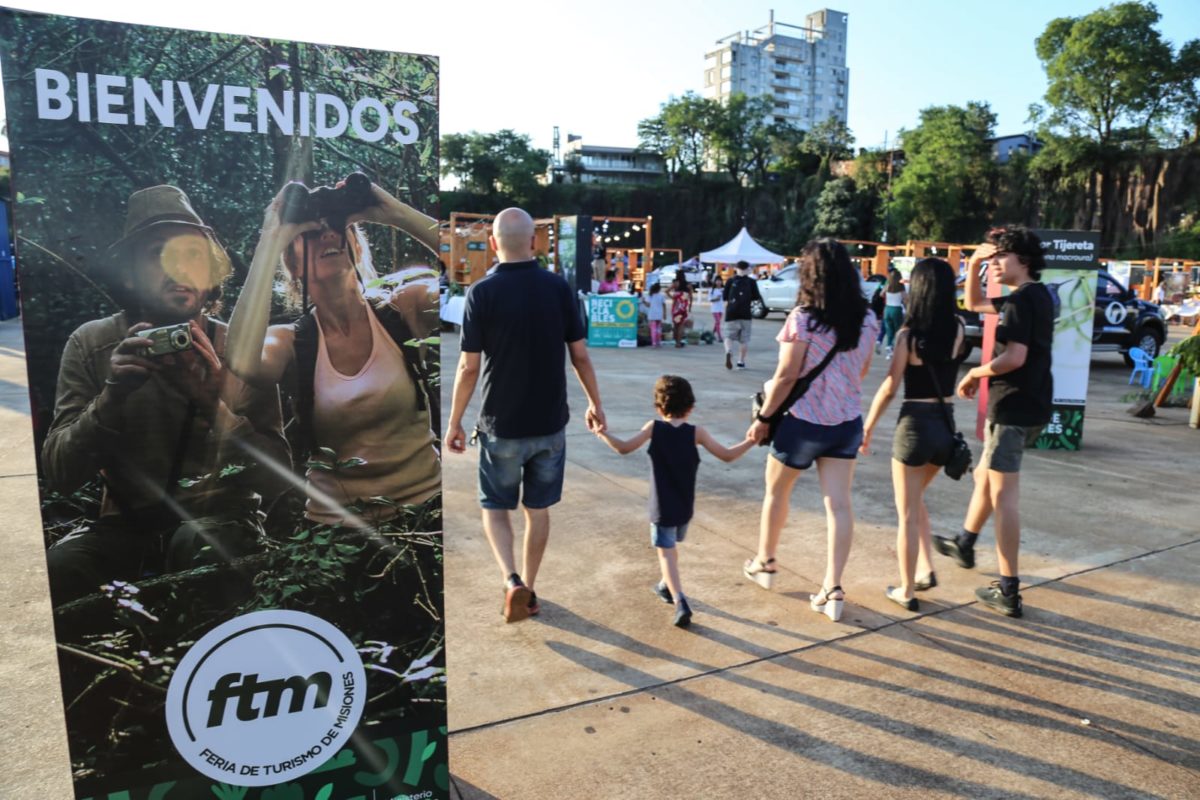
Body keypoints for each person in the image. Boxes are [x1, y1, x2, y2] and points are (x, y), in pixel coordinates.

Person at [43, 185, 290, 604]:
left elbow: (278, 477)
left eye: (192, 254)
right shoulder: (93, 344)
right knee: (59, 571)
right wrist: (113, 397)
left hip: (221, 521)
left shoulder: (242, 347)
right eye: (157, 254)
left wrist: (215, 404)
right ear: (129, 273)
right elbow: (59, 473)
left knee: (198, 546)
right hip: (125, 525)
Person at [226, 176, 441, 527]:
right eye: (311, 234)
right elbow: (240, 360)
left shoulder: (404, 309)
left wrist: (395, 213)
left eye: (339, 228)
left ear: (357, 247)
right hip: (337, 532)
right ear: (293, 266)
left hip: (427, 514)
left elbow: (478, 279)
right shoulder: (291, 341)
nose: (328, 235)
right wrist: (271, 240)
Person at [447, 207, 606, 623]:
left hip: (501, 423)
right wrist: (595, 404)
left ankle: (511, 579)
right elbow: (581, 356)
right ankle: (531, 589)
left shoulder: (480, 293)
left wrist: (454, 422)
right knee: (538, 510)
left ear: (495, 244)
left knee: (495, 507)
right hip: (550, 423)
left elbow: (468, 368)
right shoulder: (559, 288)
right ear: (535, 242)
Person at [745, 239, 878, 622]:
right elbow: (863, 370)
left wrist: (764, 418)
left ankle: (765, 562)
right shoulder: (867, 319)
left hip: (802, 421)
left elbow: (787, 376)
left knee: (776, 493)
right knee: (839, 505)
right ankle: (832, 588)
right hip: (846, 422)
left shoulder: (803, 318)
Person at [934, 226, 1053, 618]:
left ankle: (1008, 589)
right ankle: (965, 542)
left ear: (1024, 260)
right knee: (985, 475)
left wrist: (974, 374)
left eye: (1002, 256)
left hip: (1012, 406)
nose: (996, 263)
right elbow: (972, 302)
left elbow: (1013, 358)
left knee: (1005, 498)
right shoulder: (1036, 297)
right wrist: (974, 264)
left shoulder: (1020, 302)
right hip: (1032, 405)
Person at [595, 375, 754, 627]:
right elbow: (727, 455)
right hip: (684, 508)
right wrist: (752, 440)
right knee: (670, 549)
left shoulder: (653, 428)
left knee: (667, 554)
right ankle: (664, 586)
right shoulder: (696, 433)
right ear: (691, 406)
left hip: (661, 508)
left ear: (659, 408)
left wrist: (602, 433)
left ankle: (680, 601)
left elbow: (624, 448)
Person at [861, 258, 965, 612]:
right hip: (946, 428)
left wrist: (868, 426)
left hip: (914, 427)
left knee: (905, 512)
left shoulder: (908, 336)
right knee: (916, 498)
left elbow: (890, 387)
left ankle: (906, 590)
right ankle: (925, 568)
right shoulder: (959, 328)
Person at [723, 261, 764, 369]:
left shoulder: (730, 281)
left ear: (736, 268)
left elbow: (725, 297)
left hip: (731, 312)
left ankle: (729, 351)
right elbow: (756, 297)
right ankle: (741, 362)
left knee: (728, 336)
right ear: (747, 269)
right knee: (744, 339)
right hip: (745, 313)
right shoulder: (751, 282)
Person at [882, 268, 906, 357]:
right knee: (898, 330)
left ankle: (889, 347)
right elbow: (905, 298)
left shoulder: (887, 285)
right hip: (896, 309)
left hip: (887, 309)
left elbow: (881, 294)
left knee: (889, 330)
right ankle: (896, 348)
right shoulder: (901, 286)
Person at [668, 272, 692, 348]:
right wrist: (690, 307)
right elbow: (691, 297)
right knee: (681, 325)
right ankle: (678, 342)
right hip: (683, 307)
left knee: (675, 325)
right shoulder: (688, 285)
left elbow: (666, 291)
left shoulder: (675, 283)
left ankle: (676, 341)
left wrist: (673, 298)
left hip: (675, 307)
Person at [642, 282, 665, 348]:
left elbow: (648, 305)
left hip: (652, 314)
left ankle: (654, 342)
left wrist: (643, 301)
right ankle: (659, 341)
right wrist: (664, 313)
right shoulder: (661, 296)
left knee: (653, 329)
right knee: (659, 329)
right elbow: (664, 304)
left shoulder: (650, 296)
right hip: (659, 314)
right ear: (659, 289)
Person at [709, 276, 725, 342]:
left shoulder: (723, 289)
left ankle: (712, 334)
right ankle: (719, 337)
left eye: (720, 281)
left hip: (721, 308)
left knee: (717, 323)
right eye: (717, 281)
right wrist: (716, 299)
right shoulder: (712, 290)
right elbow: (710, 299)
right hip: (714, 309)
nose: (718, 282)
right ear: (715, 282)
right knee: (718, 322)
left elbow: (726, 298)